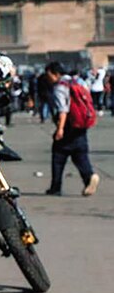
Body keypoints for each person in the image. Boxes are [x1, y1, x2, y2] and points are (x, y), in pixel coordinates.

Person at [43, 62, 100, 196]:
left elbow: (63, 110)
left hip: (69, 124)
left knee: (58, 155)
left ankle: (56, 187)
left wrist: (60, 129)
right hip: (81, 123)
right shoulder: (78, 81)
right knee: (80, 153)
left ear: (55, 73)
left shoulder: (60, 87)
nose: (48, 78)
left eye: (49, 75)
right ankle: (89, 177)